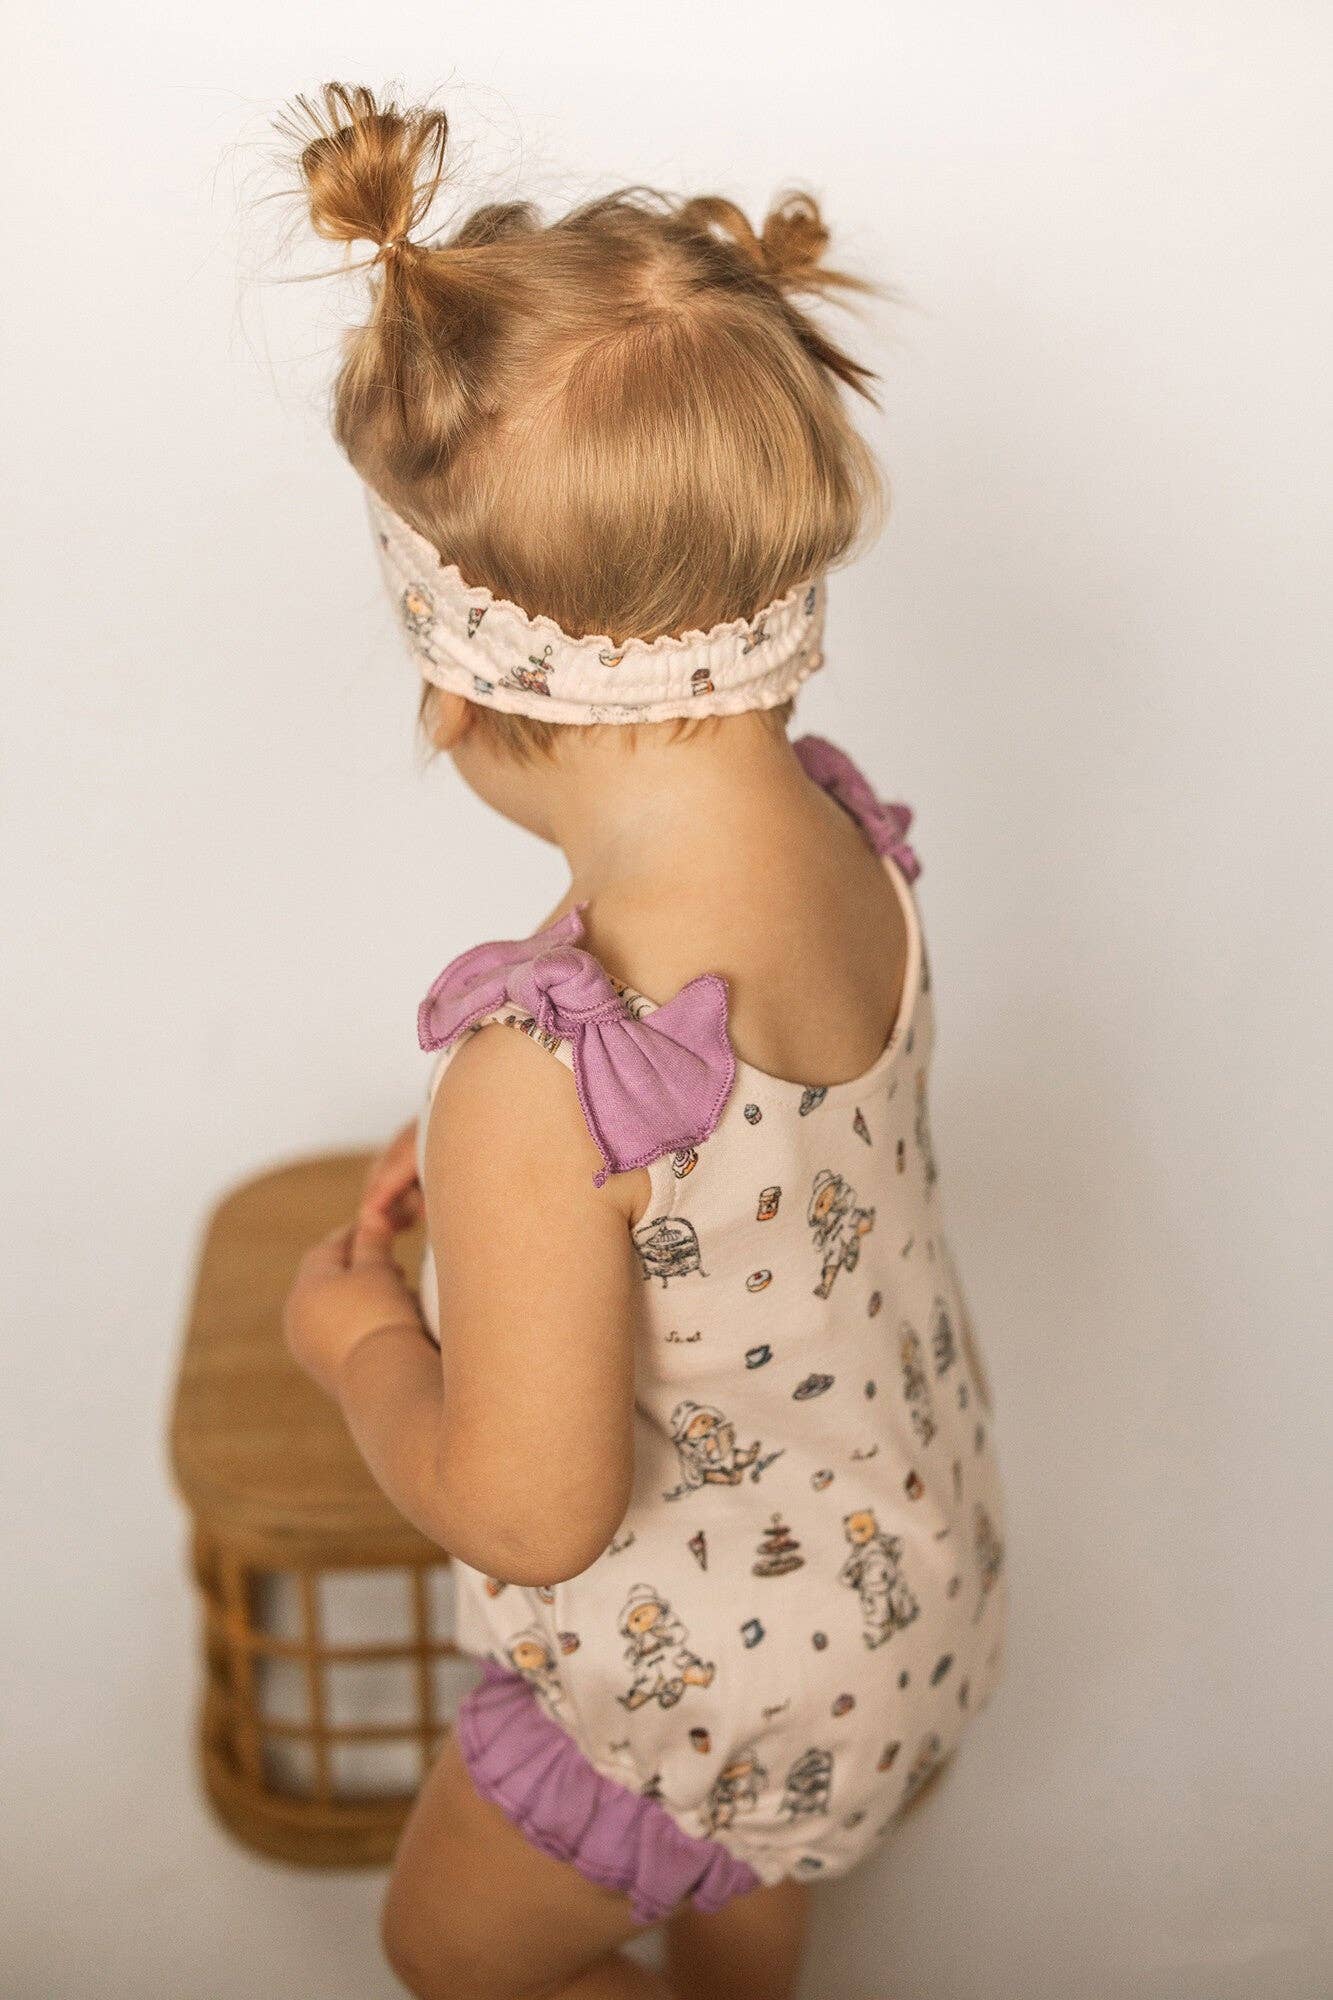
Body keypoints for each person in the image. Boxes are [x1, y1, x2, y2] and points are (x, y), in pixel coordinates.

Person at [277, 79, 1007, 2000]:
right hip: (898, 1604)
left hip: (698, 1697)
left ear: (455, 690)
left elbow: (531, 1515)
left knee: (451, 1955)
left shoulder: (534, 1090)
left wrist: (364, 1348)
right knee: (740, 1883)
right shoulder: (845, 842)